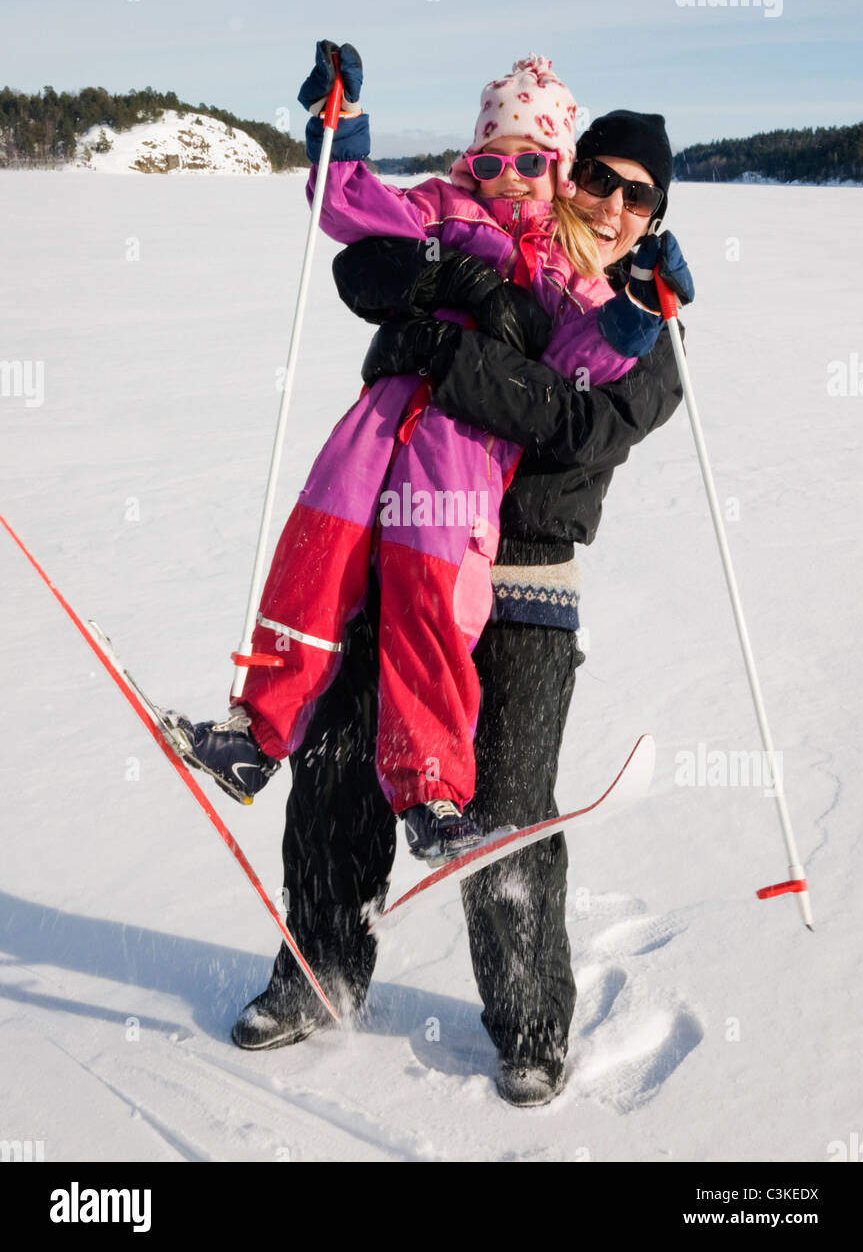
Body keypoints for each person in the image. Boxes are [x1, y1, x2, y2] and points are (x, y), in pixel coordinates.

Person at [171, 47, 692, 879]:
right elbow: (355, 214)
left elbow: (575, 381)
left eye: (531, 161)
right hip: (377, 425)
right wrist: (339, 136)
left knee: (428, 597)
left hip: (463, 458)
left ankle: (430, 788)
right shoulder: (444, 210)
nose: (511, 177)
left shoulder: (578, 277)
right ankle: (257, 731)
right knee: (314, 559)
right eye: (493, 159)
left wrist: (632, 315)